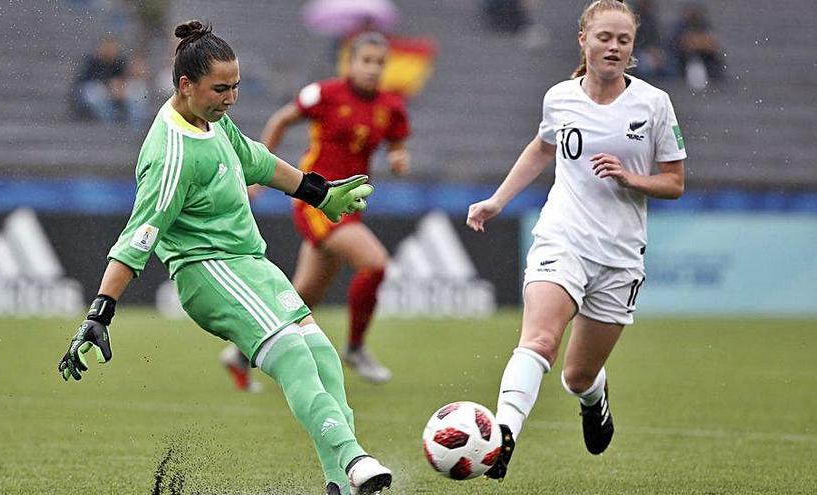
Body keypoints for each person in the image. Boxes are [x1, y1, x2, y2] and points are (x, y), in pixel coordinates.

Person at [57, 21, 393, 495]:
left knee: (322, 356)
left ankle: (339, 482)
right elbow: (138, 237)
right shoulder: (171, 153)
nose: (231, 97)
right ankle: (354, 458)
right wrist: (100, 312)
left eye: (235, 86)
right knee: (294, 356)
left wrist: (316, 192)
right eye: (221, 88)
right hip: (208, 271)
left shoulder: (212, 118)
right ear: (185, 85)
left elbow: (254, 159)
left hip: (249, 262)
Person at [466, 0, 686, 480]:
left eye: (623, 40)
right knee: (540, 339)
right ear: (583, 40)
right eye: (604, 37)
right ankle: (503, 438)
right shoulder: (559, 97)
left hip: (620, 256)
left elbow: (674, 182)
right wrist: (497, 200)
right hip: (562, 237)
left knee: (576, 375)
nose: (613, 47)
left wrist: (632, 179)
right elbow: (543, 146)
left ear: (632, 49)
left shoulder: (653, 104)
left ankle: (593, 398)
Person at [222, 31, 410, 387]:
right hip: (317, 200)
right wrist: (259, 177)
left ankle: (242, 353)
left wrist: (400, 159)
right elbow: (280, 120)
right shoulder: (324, 94)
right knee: (375, 263)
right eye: (365, 61)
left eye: (379, 63)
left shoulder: (391, 107)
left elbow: (397, 146)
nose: (372, 69)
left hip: (350, 205)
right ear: (350, 63)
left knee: (305, 294)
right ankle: (355, 348)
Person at [669, 3, 723, 91]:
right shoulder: (680, 27)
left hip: (704, 57)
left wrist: (698, 43)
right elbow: (681, 43)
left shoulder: (704, 25)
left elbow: (712, 44)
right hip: (683, 58)